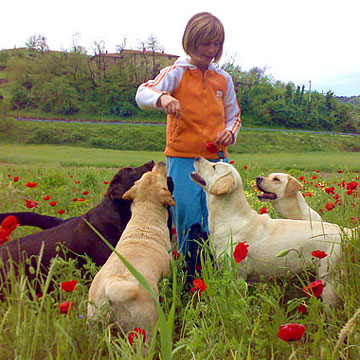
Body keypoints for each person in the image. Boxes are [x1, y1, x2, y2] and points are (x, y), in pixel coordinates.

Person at [135, 12, 241, 254]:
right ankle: (188, 268)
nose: (211, 49)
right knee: (187, 214)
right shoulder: (175, 72)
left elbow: (234, 116)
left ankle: (216, 265)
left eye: (216, 43)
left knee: (217, 214)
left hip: (216, 160)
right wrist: (162, 98)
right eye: (205, 42)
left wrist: (229, 133)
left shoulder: (224, 79)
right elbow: (143, 93)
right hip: (183, 159)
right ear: (191, 41)